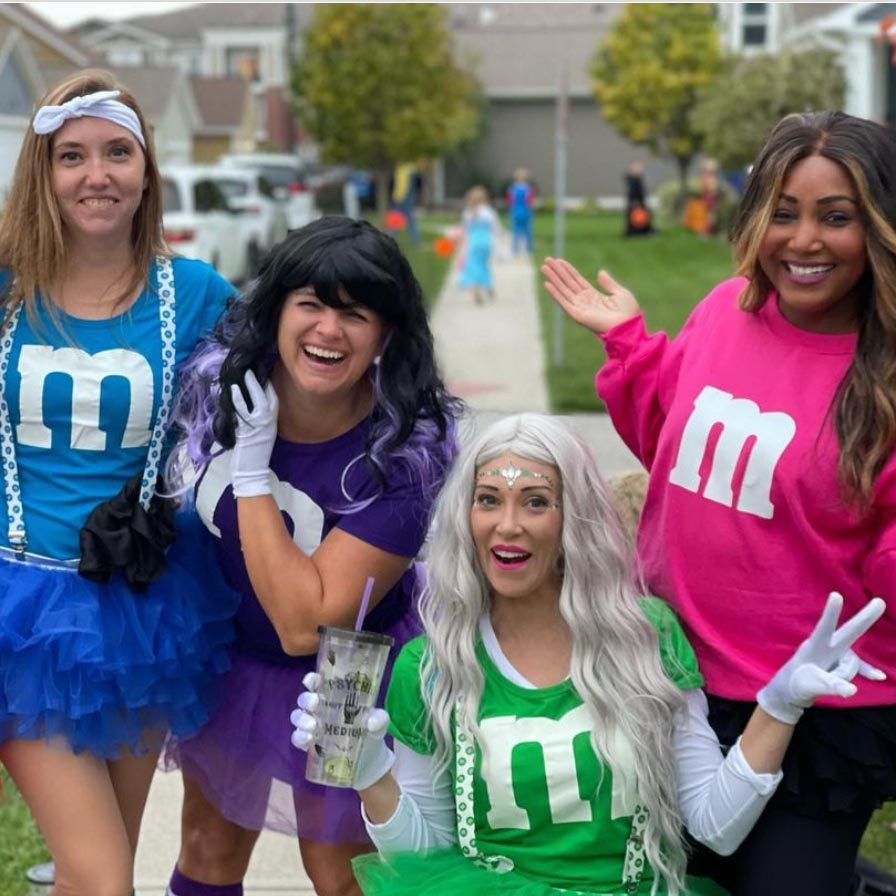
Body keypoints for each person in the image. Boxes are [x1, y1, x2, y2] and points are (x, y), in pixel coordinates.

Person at [290, 413, 884, 896]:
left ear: (573, 517)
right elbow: (425, 853)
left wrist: (779, 707)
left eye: (536, 502)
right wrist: (370, 773)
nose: (508, 525)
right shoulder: (432, 665)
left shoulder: (645, 636)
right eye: (489, 500)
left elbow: (715, 828)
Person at [542, 110, 896, 895]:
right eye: (783, 210)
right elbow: (676, 446)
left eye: (836, 218)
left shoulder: (886, 374)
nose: (803, 241)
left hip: (809, 711)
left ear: (877, 228)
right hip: (676, 677)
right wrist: (630, 346)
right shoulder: (726, 310)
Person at [162, 216, 462, 896]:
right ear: (275, 312)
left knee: (341, 874)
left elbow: (309, 623)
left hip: (348, 675)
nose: (328, 330)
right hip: (232, 655)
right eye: (311, 305)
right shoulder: (214, 393)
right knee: (207, 848)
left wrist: (252, 473)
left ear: (386, 335)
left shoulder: (404, 455)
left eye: (355, 314)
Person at [0, 69, 237, 896]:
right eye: (72, 155)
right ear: (44, 172)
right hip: (18, 616)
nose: (96, 174)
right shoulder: (3, 288)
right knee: (102, 879)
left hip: (143, 609)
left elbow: (281, 391)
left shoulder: (199, 293)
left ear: (146, 171)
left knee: (95, 874)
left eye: (116, 153)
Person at [457, 186, 502, 306]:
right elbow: (496, 228)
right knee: (483, 264)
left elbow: (464, 230)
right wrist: (498, 240)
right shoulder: (488, 212)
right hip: (486, 242)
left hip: (474, 242)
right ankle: (488, 286)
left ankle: (477, 290)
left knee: (473, 266)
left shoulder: (467, 213)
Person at [390, 162, 420, 247]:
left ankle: (391, 240)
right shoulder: (410, 168)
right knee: (409, 221)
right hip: (403, 197)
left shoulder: (405, 168)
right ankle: (416, 242)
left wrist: (398, 197)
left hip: (402, 197)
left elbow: (403, 185)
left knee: (398, 220)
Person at [506, 167, 535, 255]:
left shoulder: (512, 189)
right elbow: (530, 201)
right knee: (526, 230)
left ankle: (516, 249)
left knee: (518, 230)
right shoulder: (528, 189)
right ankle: (527, 249)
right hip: (524, 210)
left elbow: (509, 201)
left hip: (516, 210)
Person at [624, 161, 655, 237]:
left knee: (646, 216)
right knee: (636, 218)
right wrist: (636, 203)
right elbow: (632, 193)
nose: (640, 169)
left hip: (640, 203)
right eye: (637, 168)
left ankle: (644, 231)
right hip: (636, 204)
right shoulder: (633, 181)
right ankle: (637, 232)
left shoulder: (638, 180)